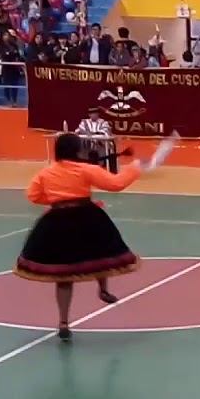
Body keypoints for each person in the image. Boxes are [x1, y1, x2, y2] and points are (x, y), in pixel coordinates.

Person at [14, 134, 147, 343]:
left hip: (57, 222)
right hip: (86, 218)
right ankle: (103, 289)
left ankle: (63, 322)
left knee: (63, 274)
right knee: (101, 252)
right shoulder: (86, 170)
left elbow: (33, 195)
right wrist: (135, 168)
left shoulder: (46, 173)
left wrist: (58, 199)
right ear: (77, 151)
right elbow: (116, 184)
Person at [76, 107, 117, 173]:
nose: (93, 115)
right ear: (89, 115)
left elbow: (105, 131)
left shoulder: (103, 122)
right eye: (91, 114)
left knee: (103, 150)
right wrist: (88, 134)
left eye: (95, 113)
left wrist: (93, 134)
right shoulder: (84, 122)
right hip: (87, 146)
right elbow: (79, 130)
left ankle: (101, 169)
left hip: (100, 145)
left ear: (98, 114)